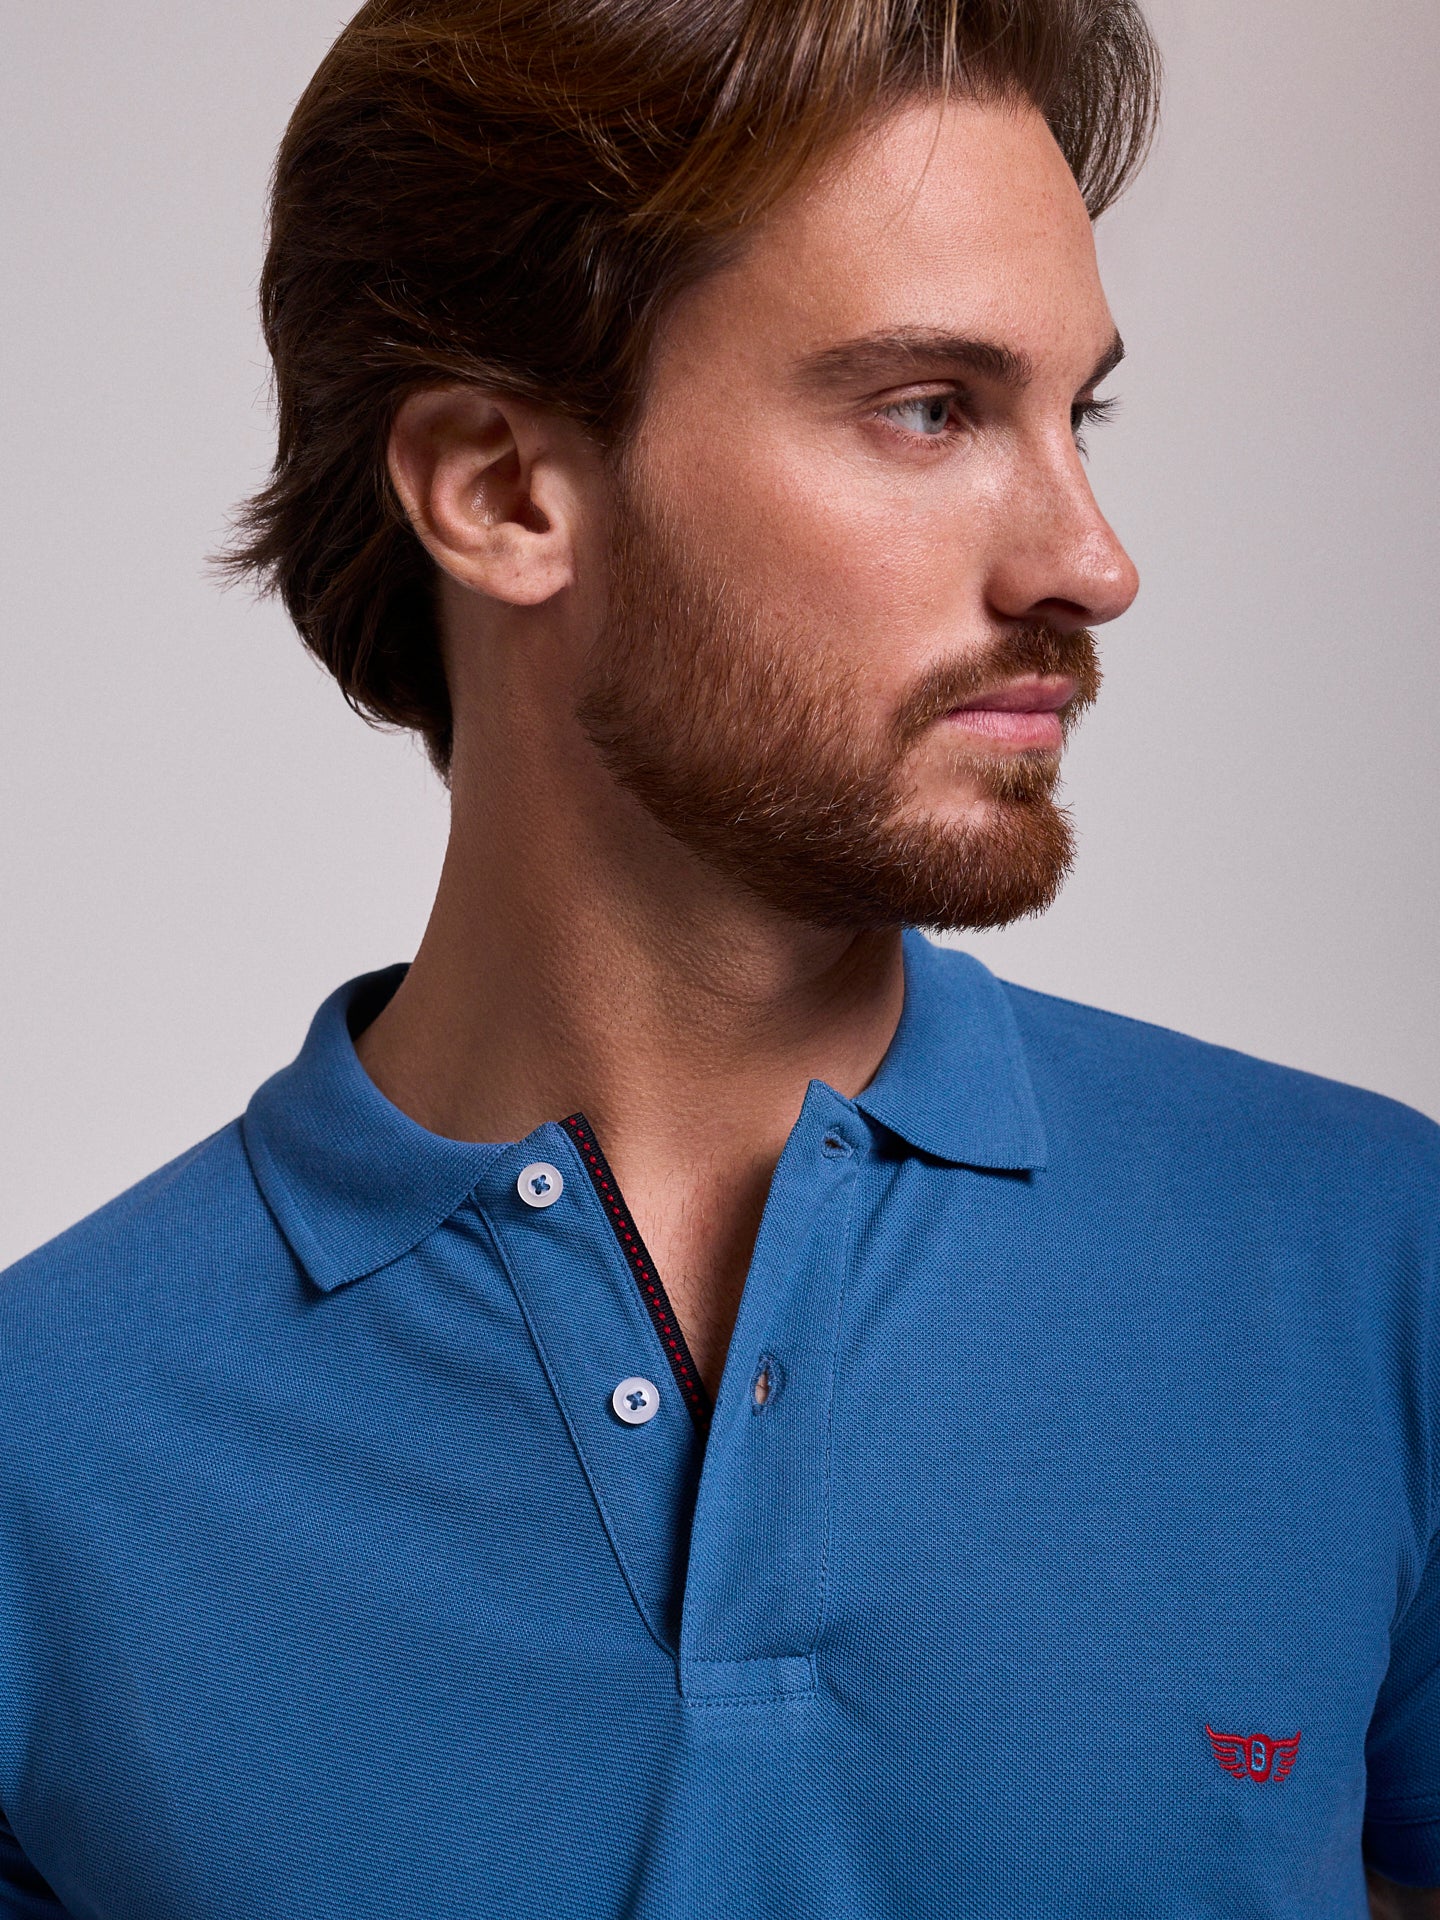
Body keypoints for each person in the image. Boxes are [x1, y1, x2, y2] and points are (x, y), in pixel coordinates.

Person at [1, 0, 1436, 1913]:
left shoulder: (1376, 1263)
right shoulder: (43, 1450)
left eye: (1074, 414)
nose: (1092, 563)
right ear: (502, 490)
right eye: (929, 408)